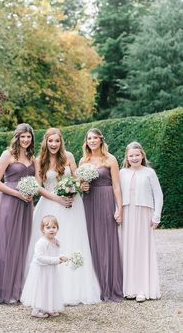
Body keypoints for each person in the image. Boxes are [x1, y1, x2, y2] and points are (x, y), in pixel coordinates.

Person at [24, 127, 101, 305]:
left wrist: (79, 187)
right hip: (50, 205)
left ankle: (72, 289)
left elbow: (76, 178)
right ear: (45, 142)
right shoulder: (39, 160)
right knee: (47, 244)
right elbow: (38, 187)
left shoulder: (69, 157)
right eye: (50, 141)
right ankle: (45, 291)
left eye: (57, 141)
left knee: (72, 240)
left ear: (61, 142)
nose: (54, 144)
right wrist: (58, 198)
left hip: (72, 206)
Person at [0, 123, 35, 304]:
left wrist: (31, 192)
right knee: (5, 244)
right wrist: (18, 193)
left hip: (26, 205)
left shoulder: (31, 156)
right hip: (9, 202)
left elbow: (35, 180)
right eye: (23, 137)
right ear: (17, 137)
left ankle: (16, 291)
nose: (26, 140)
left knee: (21, 245)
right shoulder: (7, 155)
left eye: (28, 137)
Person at [79, 128, 123, 302]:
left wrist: (120, 208)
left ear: (100, 140)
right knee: (90, 240)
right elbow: (80, 184)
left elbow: (117, 186)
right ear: (86, 141)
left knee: (107, 240)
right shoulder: (83, 160)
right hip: (89, 202)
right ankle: (94, 286)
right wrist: (82, 186)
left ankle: (109, 285)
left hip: (105, 200)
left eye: (95, 138)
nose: (92, 141)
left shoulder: (110, 159)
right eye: (89, 138)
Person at [120, 141, 163, 302]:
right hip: (127, 213)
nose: (134, 158)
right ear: (127, 157)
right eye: (131, 155)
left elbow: (158, 195)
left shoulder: (149, 172)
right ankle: (128, 288)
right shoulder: (122, 172)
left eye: (137, 155)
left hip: (144, 214)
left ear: (142, 155)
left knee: (142, 251)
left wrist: (156, 216)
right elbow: (116, 193)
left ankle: (143, 289)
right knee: (127, 249)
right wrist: (117, 211)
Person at [21, 215, 68, 318]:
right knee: (41, 289)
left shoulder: (56, 241)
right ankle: (36, 310)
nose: (51, 230)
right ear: (42, 230)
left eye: (54, 227)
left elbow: (55, 253)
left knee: (50, 288)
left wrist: (61, 257)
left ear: (57, 228)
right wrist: (57, 260)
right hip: (41, 270)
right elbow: (40, 258)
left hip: (51, 270)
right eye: (48, 227)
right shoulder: (41, 243)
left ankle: (49, 308)